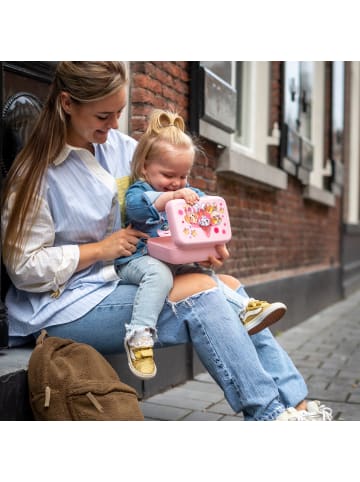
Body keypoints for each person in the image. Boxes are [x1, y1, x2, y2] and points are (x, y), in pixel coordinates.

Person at [1, 61, 332, 421]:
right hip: (65, 305)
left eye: (120, 113)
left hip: (126, 276)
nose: (114, 125)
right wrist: (100, 249)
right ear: (67, 104)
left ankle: (297, 406)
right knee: (205, 296)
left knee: (233, 291)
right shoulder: (36, 174)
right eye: (104, 116)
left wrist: (201, 244)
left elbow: (166, 193)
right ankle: (269, 415)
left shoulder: (122, 149)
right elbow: (24, 267)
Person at [115, 108, 287, 380]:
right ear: (145, 167)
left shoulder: (188, 193)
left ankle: (245, 308)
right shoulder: (141, 189)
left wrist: (214, 245)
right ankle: (139, 335)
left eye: (183, 176)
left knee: (205, 276)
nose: (175, 183)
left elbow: (207, 214)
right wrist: (168, 199)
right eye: (168, 175)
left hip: (175, 260)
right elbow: (136, 209)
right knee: (159, 276)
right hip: (138, 260)